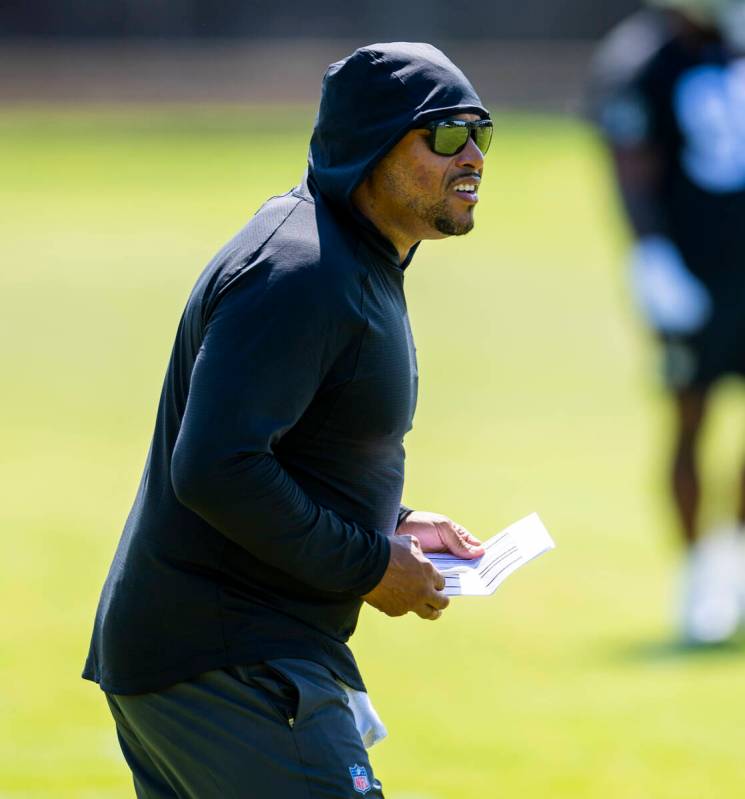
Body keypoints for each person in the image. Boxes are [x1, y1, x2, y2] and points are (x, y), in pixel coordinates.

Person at [83, 42, 492, 797]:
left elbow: (285, 447)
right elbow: (216, 465)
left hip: (224, 651)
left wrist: (388, 520)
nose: (471, 155)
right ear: (372, 142)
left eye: (480, 134)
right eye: (444, 135)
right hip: (227, 658)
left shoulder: (349, 256)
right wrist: (370, 564)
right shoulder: (303, 271)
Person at [589, 0, 745, 643]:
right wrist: (651, 254)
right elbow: (629, 162)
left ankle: (734, 559)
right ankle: (696, 573)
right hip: (692, 270)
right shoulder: (641, 56)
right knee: (690, 417)